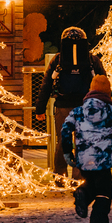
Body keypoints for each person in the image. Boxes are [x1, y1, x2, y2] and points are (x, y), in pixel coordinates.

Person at [61, 75, 112, 223]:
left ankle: (83, 193)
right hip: (103, 160)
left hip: (83, 160)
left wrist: (67, 151)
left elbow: (65, 130)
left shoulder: (78, 111)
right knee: (104, 192)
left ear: (90, 90)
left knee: (92, 184)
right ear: (108, 92)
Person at [36, 27, 106, 176]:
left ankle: (60, 176)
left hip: (63, 105)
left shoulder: (58, 59)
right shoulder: (92, 60)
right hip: (86, 106)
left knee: (63, 141)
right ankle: (79, 177)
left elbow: (46, 84)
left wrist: (40, 109)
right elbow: (103, 82)